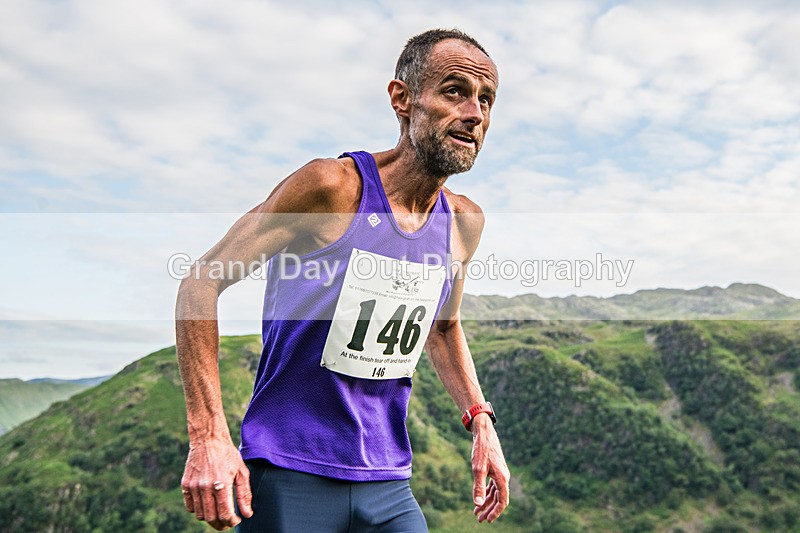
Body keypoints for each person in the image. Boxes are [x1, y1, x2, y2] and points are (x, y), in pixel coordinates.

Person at [176, 28, 510, 532]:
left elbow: (442, 328)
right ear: (402, 99)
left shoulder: (464, 222)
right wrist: (208, 436)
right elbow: (200, 283)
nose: (475, 113)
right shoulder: (331, 189)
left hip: (389, 480)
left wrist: (481, 421)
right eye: (454, 91)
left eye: (486, 99)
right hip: (290, 472)